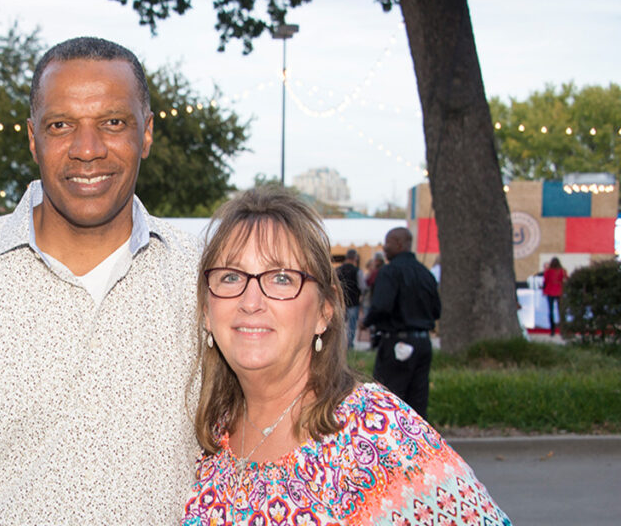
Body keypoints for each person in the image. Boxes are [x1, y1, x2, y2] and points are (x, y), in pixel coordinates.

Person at [0, 36, 202, 522]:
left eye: (113, 123)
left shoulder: (207, 279)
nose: (87, 150)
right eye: (61, 125)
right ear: (32, 138)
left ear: (146, 134)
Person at [182, 188, 510, 525]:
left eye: (281, 278)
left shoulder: (374, 434)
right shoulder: (209, 435)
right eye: (230, 276)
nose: (251, 301)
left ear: (325, 309)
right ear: (207, 310)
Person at [362, 227, 441, 419]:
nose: (385, 248)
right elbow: (436, 310)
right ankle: (417, 445)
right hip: (423, 345)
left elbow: (381, 306)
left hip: (397, 342)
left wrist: (366, 321)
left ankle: (390, 446)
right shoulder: (426, 274)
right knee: (418, 402)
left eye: (387, 242)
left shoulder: (390, 272)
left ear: (398, 243)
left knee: (388, 401)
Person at [335, 249, 365, 350]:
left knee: (338, 325)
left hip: (339, 301)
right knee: (351, 325)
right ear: (355, 258)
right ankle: (349, 345)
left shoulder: (338, 270)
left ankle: (338, 345)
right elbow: (363, 286)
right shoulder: (357, 271)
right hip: (353, 301)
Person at [542, 257, 567, 336]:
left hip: (550, 291)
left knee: (551, 311)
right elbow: (565, 278)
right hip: (559, 291)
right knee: (561, 311)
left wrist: (544, 289)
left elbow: (545, 281)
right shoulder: (562, 271)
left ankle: (552, 330)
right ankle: (562, 329)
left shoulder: (548, 271)